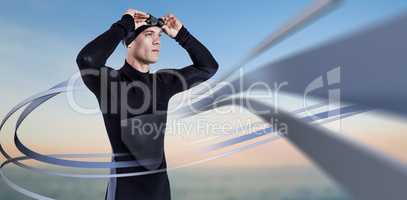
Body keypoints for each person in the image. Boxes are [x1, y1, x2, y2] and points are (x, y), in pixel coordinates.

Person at [75, 8, 218, 200]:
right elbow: (87, 60)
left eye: (159, 35)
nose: (157, 40)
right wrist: (125, 24)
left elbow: (208, 67)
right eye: (149, 34)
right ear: (130, 42)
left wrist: (182, 35)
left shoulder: (164, 82)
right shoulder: (110, 83)